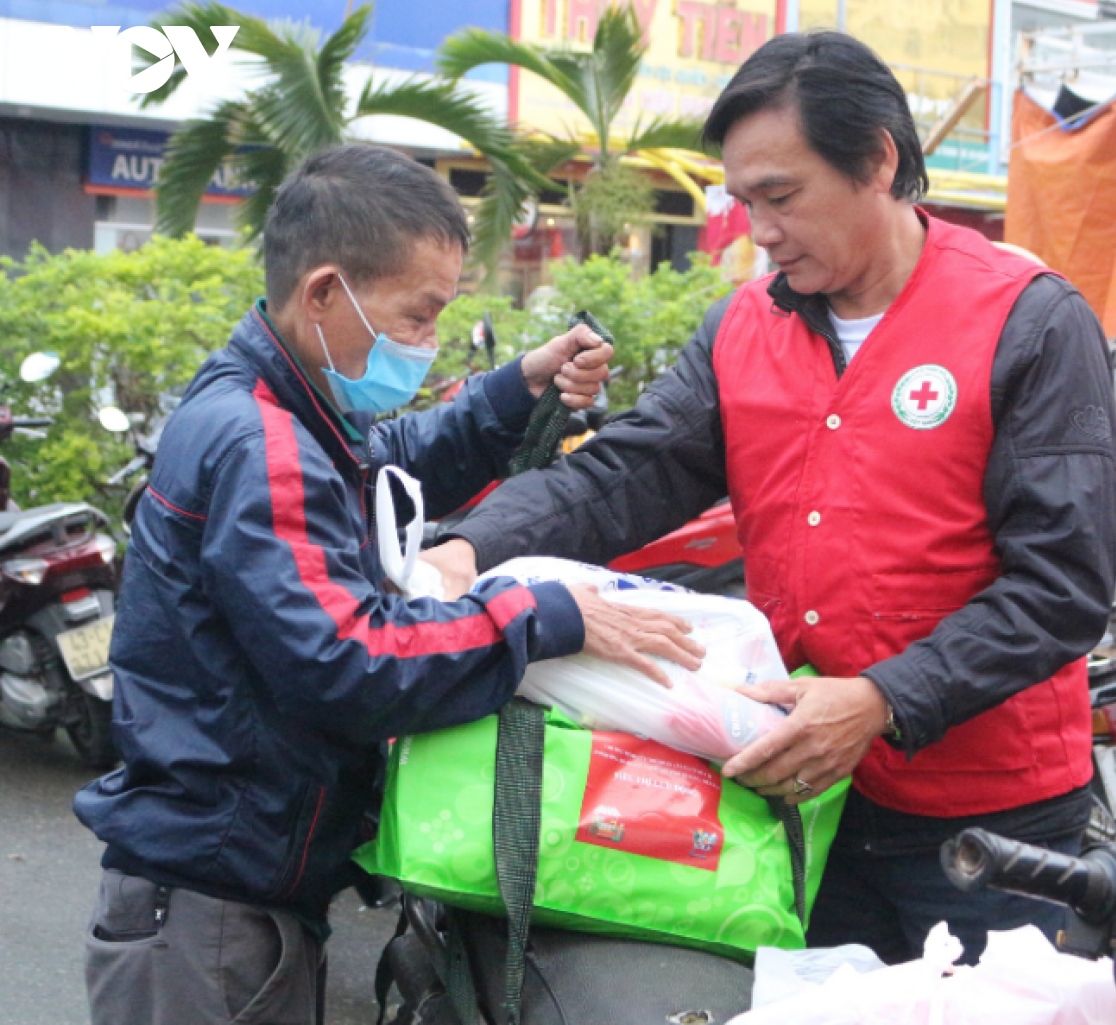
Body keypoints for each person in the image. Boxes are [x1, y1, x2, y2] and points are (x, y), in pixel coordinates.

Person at [423, 32, 1116, 965]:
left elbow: (1063, 586)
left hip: (988, 818)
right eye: (743, 200)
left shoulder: (1028, 321)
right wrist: (471, 546)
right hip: (796, 801)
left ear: (878, 158)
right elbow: (623, 474)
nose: (759, 229)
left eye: (782, 197)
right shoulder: (744, 326)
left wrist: (881, 698)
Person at [73, 144, 703, 1025]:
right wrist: (539, 616)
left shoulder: (282, 410)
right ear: (325, 292)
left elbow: (384, 472)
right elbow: (349, 657)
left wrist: (515, 392)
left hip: (226, 897)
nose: (428, 343)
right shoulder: (264, 446)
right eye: (417, 317)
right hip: (209, 918)